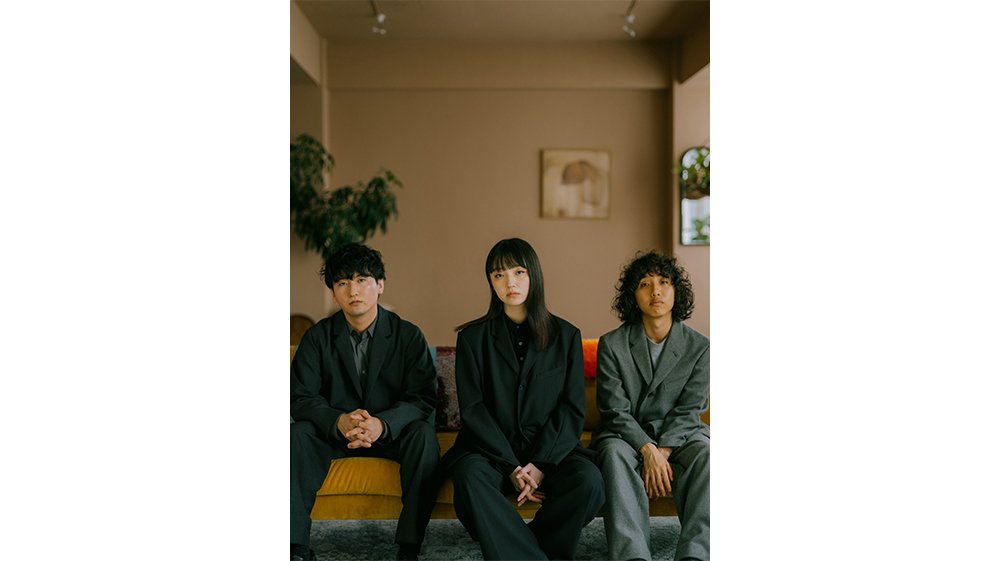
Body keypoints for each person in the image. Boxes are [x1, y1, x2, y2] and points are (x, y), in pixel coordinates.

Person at [440, 237, 605, 560]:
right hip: (490, 451)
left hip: (549, 451)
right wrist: (511, 465)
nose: (510, 283)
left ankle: (514, 547)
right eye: (499, 275)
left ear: (534, 276)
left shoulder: (566, 336)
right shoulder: (472, 339)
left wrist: (540, 464)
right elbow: (473, 410)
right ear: (491, 282)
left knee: (589, 482)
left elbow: (571, 409)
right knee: (469, 478)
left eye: (518, 272)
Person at [290, 243, 439, 561]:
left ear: (380, 285)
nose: (353, 290)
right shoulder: (317, 338)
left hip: (390, 434)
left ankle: (409, 547)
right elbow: (301, 398)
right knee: (298, 434)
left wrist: (382, 424)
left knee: (423, 436)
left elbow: (423, 397)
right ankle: (295, 547)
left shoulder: (408, 336)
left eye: (362, 280)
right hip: (335, 434)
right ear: (333, 293)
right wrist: (338, 421)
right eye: (342, 282)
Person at [590, 251, 710, 561]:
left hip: (681, 435)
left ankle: (696, 554)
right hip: (626, 435)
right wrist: (647, 449)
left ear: (676, 291)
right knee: (613, 454)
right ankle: (632, 555)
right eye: (645, 284)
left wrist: (662, 452)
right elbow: (614, 410)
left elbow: (690, 409)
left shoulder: (700, 347)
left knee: (707, 453)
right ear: (633, 294)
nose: (656, 291)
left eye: (664, 282)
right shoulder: (612, 344)